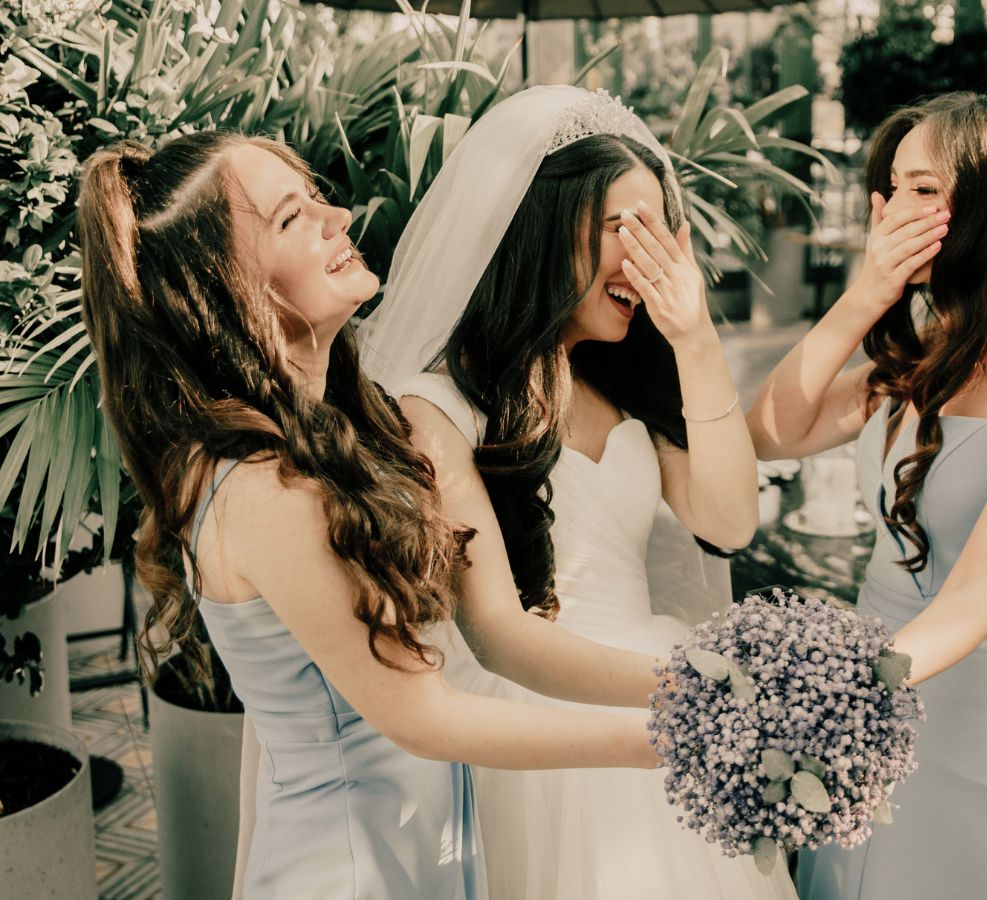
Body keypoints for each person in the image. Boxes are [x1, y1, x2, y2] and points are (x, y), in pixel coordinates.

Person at [77, 131, 671, 900]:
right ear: (219, 285)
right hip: (348, 872)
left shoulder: (348, 431)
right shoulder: (261, 486)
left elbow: (491, 632)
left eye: (317, 199)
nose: (339, 216)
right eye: (294, 217)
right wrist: (672, 736)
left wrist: (697, 682)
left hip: (420, 850)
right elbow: (422, 716)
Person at [362, 86, 796, 900]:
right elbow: (496, 634)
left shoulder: (628, 377)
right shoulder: (441, 405)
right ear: (541, 226)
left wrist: (696, 341)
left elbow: (732, 525)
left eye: (658, 232)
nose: (644, 259)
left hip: (662, 668)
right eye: (620, 230)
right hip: (552, 717)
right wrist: (699, 688)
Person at [747, 92, 987, 900]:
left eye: (922, 190)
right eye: (888, 190)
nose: (890, 212)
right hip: (871, 679)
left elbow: (972, 603)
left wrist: (837, 691)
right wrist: (861, 300)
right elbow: (771, 433)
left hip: (963, 707)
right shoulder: (929, 349)